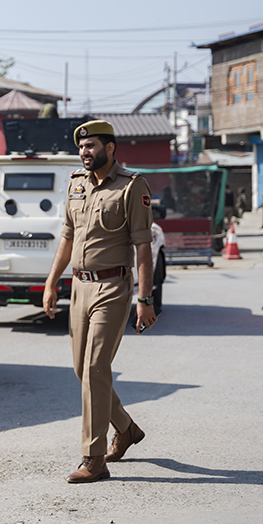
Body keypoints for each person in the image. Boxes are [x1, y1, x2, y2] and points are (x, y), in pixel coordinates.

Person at [42, 120, 157, 484]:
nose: (84, 152)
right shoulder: (76, 184)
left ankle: (94, 458)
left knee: (94, 367)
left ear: (111, 148)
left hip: (113, 288)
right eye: (81, 147)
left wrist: (145, 298)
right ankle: (126, 429)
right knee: (83, 370)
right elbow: (67, 237)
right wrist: (50, 283)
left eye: (91, 146)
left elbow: (143, 247)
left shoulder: (131, 186)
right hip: (79, 287)